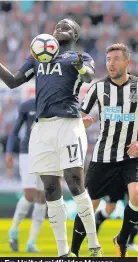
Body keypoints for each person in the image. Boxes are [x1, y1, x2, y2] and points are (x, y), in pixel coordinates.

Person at [0, 19, 102, 257]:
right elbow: (14, 81)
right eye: (57, 26)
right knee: (50, 190)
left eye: (66, 26)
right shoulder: (37, 57)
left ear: (75, 34)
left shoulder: (81, 56)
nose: (59, 28)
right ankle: (62, 251)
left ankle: (94, 244)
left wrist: (78, 65)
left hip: (68, 124)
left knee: (75, 182)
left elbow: (87, 76)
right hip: (42, 129)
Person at [71, 43, 138, 257]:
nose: (111, 64)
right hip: (103, 156)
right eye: (108, 60)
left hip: (131, 156)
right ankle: (73, 251)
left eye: (116, 59)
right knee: (89, 205)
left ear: (127, 62)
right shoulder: (98, 88)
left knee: (137, 195)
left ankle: (123, 239)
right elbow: (80, 116)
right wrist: (84, 122)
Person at [5, 98, 46, 253]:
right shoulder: (27, 105)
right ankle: (14, 230)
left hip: (48, 154)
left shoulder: (56, 103)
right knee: (30, 194)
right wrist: (9, 151)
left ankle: (31, 242)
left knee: (42, 197)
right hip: (28, 152)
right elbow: (15, 131)